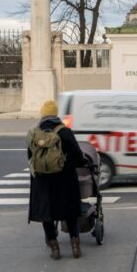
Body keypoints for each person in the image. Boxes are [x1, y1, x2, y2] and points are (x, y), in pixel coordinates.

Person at [27, 100, 88, 260]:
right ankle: (75, 245)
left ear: (42, 114)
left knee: (47, 213)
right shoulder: (64, 132)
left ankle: (54, 248)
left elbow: (30, 156)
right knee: (70, 211)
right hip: (64, 179)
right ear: (55, 114)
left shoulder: (34, 133)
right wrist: (82, 162)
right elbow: (77, 155)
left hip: (42, 181)